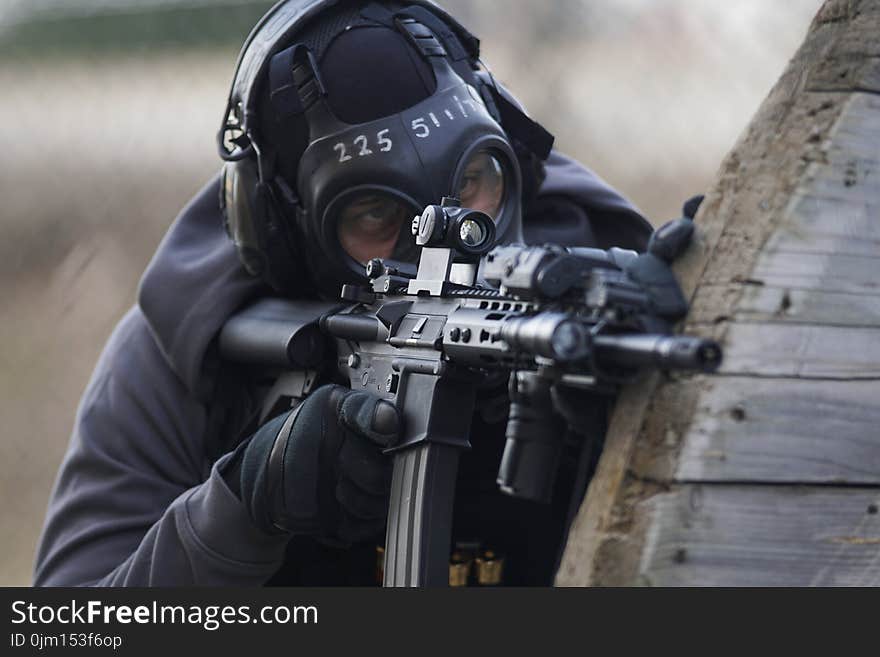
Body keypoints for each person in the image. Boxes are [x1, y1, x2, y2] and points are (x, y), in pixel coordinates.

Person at [33, 0, 653, 586]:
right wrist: (240, 511)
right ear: (281, 229)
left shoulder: (608, 298)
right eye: (378, 215)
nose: (455, 238)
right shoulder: (192, 349)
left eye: (472, 182)